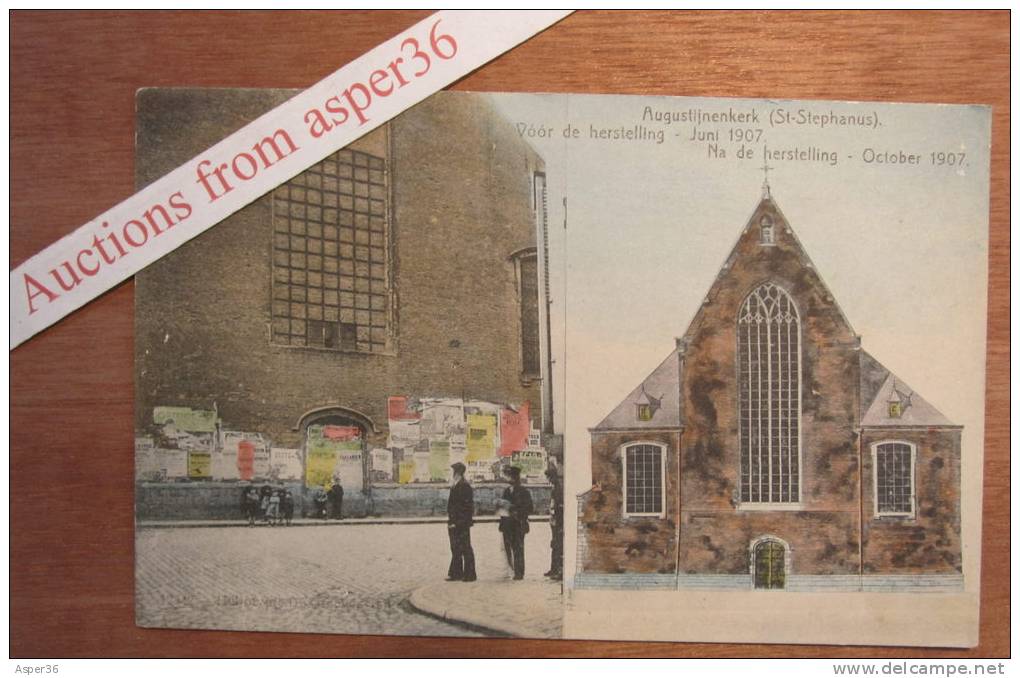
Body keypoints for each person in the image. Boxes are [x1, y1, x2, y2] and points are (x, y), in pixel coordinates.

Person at [500, 466, 534, 580]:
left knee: (518, 549)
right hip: (507, 525)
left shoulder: (524, 492)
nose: (509, 478)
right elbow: (502, 509)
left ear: (516, 477)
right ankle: (510, 570)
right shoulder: (506, 491)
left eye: (511, 476)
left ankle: (519, 573)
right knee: (507, 548)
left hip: (518, 524)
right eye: (509, 476)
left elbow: (530, 508)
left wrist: (517, 511)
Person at [446, 462, 477, 582]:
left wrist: (457, 522)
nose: (452, 474)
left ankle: (470, 574)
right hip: (454, 521)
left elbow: (466, 507)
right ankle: (456, 573)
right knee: (455, 548)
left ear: (457, 473)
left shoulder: (464, 486)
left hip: (461, 523)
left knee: (465, 547)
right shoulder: (456, 485)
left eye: (453, 472)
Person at [544, 465, 564, 580]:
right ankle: (554, 568)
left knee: (556, 545)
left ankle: (557, 569)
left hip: (557, 521)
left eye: (549, 477)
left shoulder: (558, 489)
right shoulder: (555, 487)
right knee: (554, 544)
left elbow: (558, 506)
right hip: (554, 521)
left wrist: (557, 519)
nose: (549, 480)